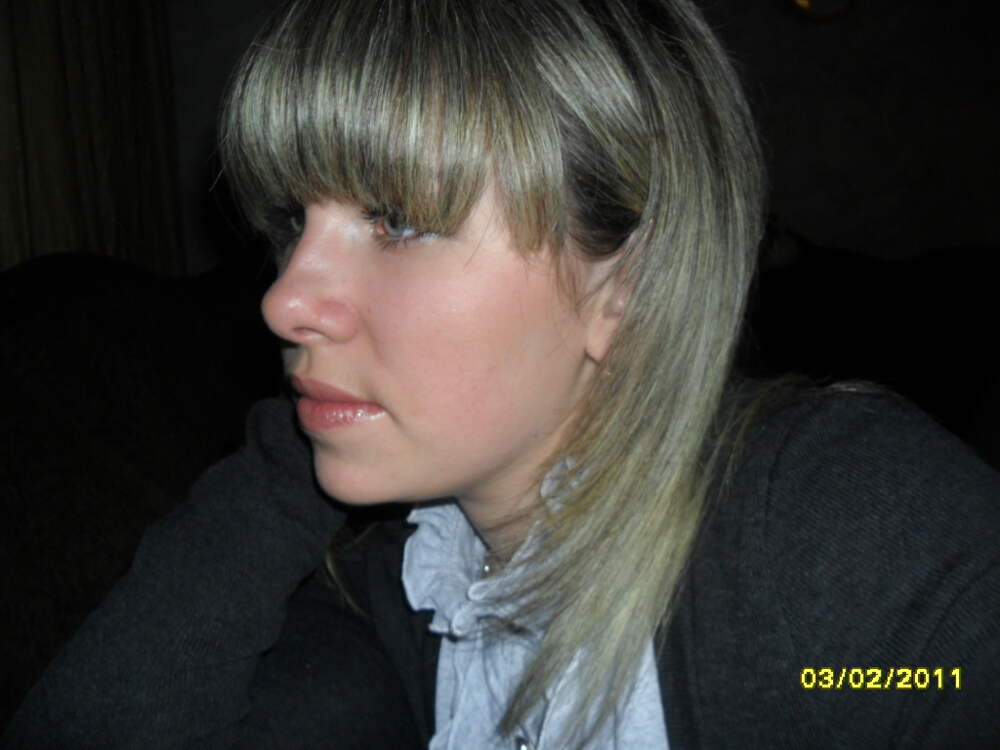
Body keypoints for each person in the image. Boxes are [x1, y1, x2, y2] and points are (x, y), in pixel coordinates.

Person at [4, 0, 999, 747]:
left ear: (627, 284)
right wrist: (290, 462)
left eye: (395, 219)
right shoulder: (399, 595)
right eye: (293, 221)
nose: (282, 300)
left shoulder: (839, 524)